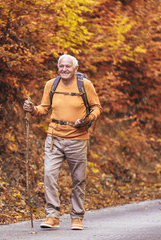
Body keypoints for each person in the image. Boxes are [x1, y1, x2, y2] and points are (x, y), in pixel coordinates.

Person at [23, 54, 102, 230]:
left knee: (78, 179)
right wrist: (32, 109)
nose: (64, 69)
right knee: (49, 175)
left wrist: (88, 118)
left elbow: (97, 106)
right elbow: (44, 108)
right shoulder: (51, 84)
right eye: (61, 66)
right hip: (54, 137)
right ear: (58, 68)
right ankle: (52, 216)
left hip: (78, 138)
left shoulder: (85, 85)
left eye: (68, 66)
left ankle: (77, 217)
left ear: (75, 68)